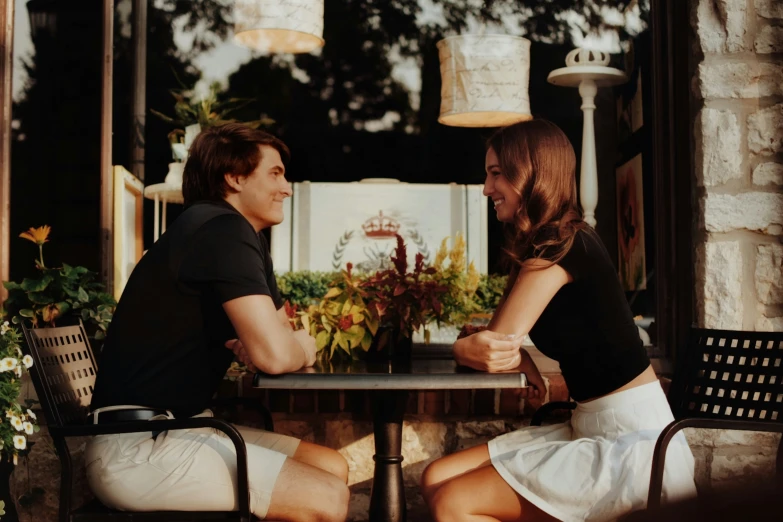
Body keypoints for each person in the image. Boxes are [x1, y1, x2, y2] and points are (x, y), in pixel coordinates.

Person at [420, 119, 696, 522]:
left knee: (453, 503)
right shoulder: (548, 243)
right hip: (589, 426)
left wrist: (464, 347)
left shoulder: (563, 245)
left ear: (532, 173)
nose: (485, 188)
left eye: (496, 174)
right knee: (436, 476)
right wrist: (515, 356)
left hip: (630, 445)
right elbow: (499, 342)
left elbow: (490, 346)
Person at [86, 123, 350, 522]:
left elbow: (278, 339)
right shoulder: (221, 231)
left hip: (180, 430)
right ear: (234, 177)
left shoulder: (237, 234)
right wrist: (298, 346)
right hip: (138, 448)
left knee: (333, 467)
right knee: (326, 496)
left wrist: (279, 344)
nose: (288, 188)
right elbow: (278, 354)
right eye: (275, 174)